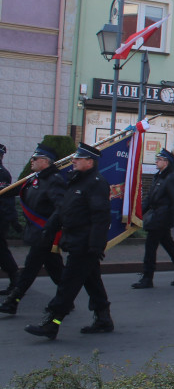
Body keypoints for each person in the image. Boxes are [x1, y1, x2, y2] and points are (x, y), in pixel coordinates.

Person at [26, 143, 113, 339]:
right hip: (75, 239)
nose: (73, 161)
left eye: (78, 159)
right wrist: (50, 227)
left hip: (84, 243)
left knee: (68, 284)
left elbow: (101, 216)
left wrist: (95, 245)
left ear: (89, 162)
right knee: (92, 281)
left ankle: (52, 322)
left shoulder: (96, 183)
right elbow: (63, 208)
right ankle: (103, 318)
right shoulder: (77, 181)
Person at [0, 143, 66, 314]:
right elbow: (13, 191)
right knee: (56, 270)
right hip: (38, 232)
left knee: (30, 268)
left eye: (35, 158)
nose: (32, 161)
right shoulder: (35, 178)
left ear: (46, 161)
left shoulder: (54, 180)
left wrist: (49, 228)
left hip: (45, 233)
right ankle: (66, 299)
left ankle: (12, 301)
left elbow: (60, 207)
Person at [132, 148, 174, 289]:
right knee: (169, 246)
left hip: (161, 218)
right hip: (157, 216)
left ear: (166, 162)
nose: (156, 161)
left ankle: (147, 278)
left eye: (159, 159)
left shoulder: (171, 178)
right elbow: (149, 198)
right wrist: (138, 213)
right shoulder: (159, 176)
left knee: (150, 248)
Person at [0, 143, 20, 295]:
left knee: (1, 251)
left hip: (1, 219)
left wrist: (13, 220)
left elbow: (7, 199)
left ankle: (15, 279)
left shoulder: (2, 174)